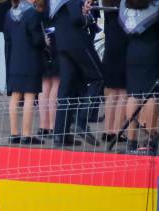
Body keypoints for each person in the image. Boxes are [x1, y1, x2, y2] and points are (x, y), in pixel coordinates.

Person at [51, 0, 102, 146]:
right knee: (98, 77)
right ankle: (81, 120)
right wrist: (87, 17)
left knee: (67, 88)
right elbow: (76, 18)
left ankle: (60, 135)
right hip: (76, 40)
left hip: (62, 41)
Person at [123, 0, 159, 153]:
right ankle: (151, 137)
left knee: (133, 95)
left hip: (133, 49)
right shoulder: (156, 5)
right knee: (150, 94)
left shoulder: (125, 4)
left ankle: (131, 140)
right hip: (151, 48)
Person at [4, 0, 47, 143]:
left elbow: (7, 39)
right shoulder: (32, 13)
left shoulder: (9, 14)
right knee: (29, 96)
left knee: (15, 97)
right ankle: (27, 135)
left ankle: (14, 134)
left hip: (14, 61)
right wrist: (45, 41)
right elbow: (37, 40)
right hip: (31, 60)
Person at [101, 5, 129, 147]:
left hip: (110, 48)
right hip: (123, 48)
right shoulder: (123, 7)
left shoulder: (107, 6)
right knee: (123, 93)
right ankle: (118, 131)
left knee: (111, 92)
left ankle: (107, 130)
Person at [37, 0, 61, 139]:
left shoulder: (39, 7)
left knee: (44, 87)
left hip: (43, 46)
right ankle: (52, 126)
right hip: (55, 44)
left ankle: (43, 126)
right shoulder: (55, 6)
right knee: (55, 85)